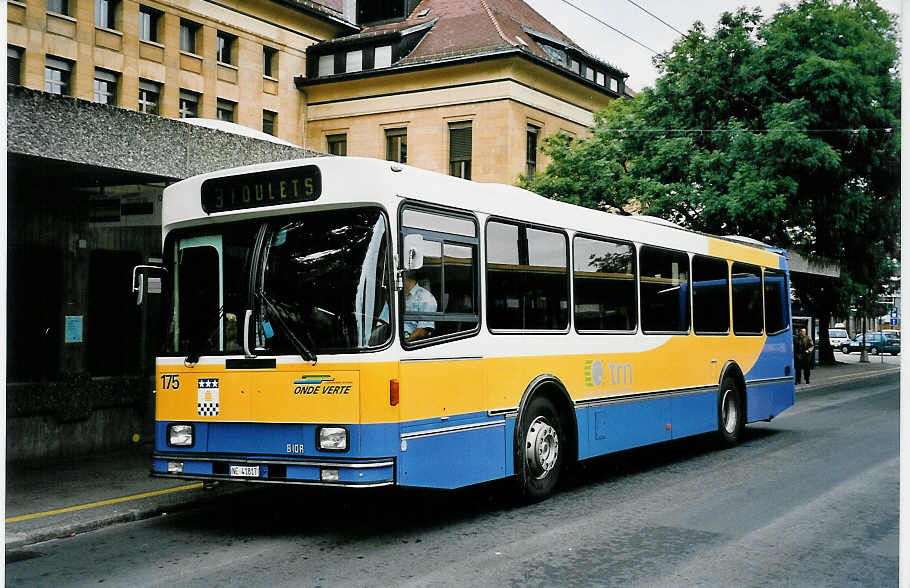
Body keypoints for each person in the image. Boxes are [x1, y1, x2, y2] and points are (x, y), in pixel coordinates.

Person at [403, 274, 437, 341]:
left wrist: (405, 342)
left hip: (410, 340)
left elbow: (422, 331)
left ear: (406, 278)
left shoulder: (426, 298)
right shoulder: (395, 297)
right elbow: (383, 322)